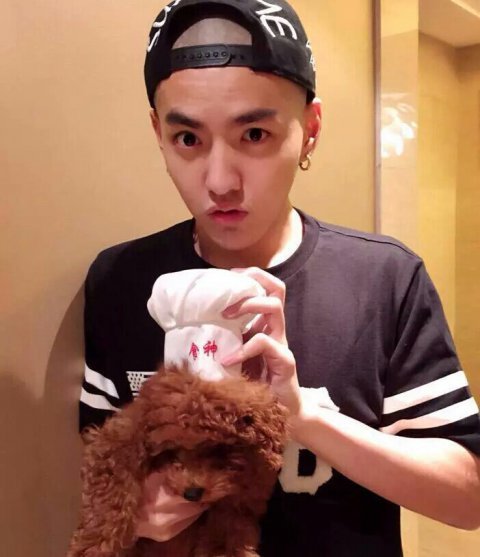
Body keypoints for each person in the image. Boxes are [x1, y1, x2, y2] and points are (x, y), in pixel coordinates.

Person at [78, 1, 480, 555]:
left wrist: (304, 415)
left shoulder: (384, 278)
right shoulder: (122, 281)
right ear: (158, 133)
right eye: (188, 139)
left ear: (310, 130)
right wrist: (137, 509)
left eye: (255, 134)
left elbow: (467, 497)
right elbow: (99, 454)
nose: (220, 182)